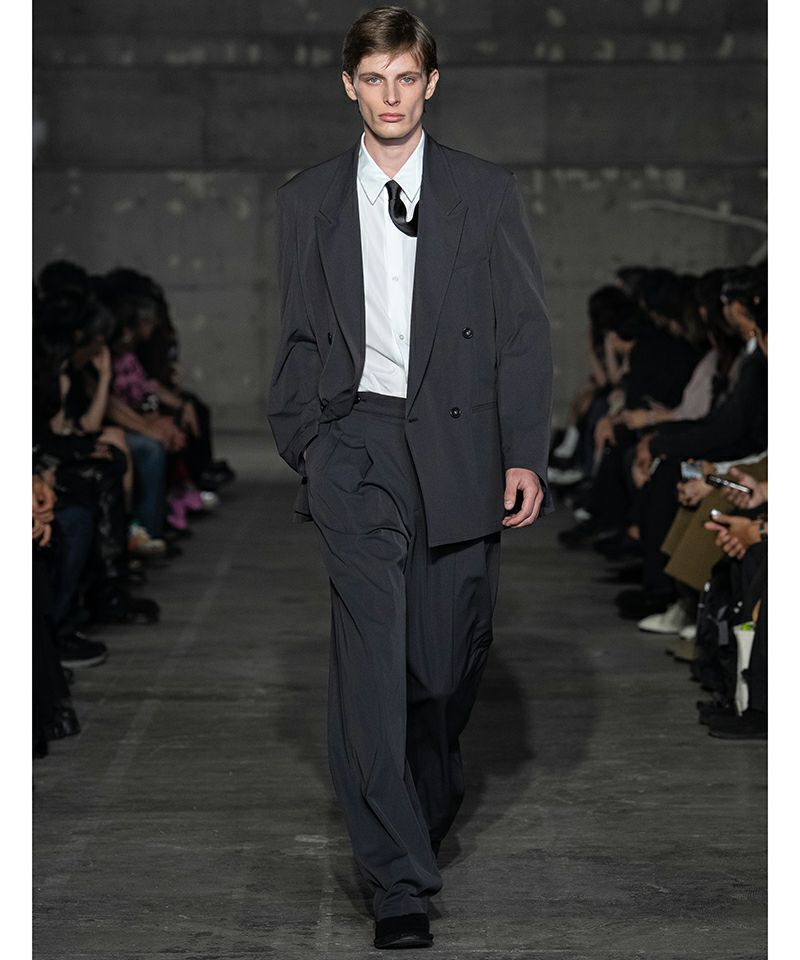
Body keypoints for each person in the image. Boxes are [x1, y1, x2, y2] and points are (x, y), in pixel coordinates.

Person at [267, 5, 553, 951]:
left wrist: (523, 451)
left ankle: (423, 803)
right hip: (357, 444)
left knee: (442, 669)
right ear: (348, 85)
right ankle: (397, 877)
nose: (389, 97)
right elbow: (297, 334)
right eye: (372, 79)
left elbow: (523, 331)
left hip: (461, 445)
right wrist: (311, 444)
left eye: (405, 78)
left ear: (430, 83)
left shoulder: (484, 191)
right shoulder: (307, 200)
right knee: (371, 669)